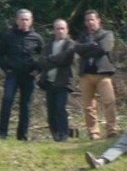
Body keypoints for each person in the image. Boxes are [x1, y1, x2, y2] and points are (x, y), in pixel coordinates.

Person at [0, 9, 43, 141]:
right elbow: (1, 54)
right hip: (12, 75)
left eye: (27, 19)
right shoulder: (8, 36)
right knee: (7, 102)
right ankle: (2, 134)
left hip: (28, 76)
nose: (24, 22)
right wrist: (6, 69)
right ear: (17, 20)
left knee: (26, 105)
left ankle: (22, 136)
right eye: (22, 19)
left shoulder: (36, 38)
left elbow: (45, 56)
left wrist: (37, 70)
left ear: (31, 21)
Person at [74, 9, 117, 140]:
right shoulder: (82, 36)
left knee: (109, 101)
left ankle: (112, 130)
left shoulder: (107, 34)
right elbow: (77, 49)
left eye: (92, 19)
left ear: (98, 20)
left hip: (103, 74)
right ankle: (93, 132)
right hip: (86, 74)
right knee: (89, 106)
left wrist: (87, 49)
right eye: (87, 20)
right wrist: (91, 46)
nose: (90, 22)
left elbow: (104, 49)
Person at [37, 18, 75, 142]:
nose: (60, 31)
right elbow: (42, 62)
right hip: (49, 82)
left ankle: (64, 135)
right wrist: (54, 61)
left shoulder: (70, 44)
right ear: (53, 30)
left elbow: (66, 59)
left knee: (61, 109)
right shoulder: (48, 45)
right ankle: (55, 135)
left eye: (62, 28)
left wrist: (50, 59)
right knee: (51, 111)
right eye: (57, 28)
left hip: (63, 82)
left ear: (67, 30)